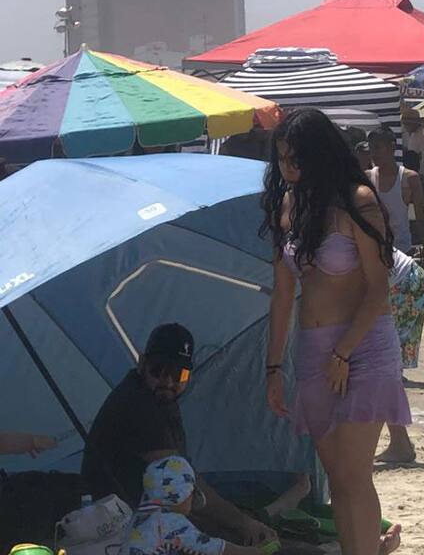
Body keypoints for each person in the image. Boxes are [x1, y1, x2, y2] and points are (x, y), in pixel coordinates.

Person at [262, 108, 405, 555]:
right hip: (313, 350)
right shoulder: (289, 206)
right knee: (338, 479)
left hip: (364, 345)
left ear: (319, 155)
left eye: (296, 158)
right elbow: (282, 295)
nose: (288, 168)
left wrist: (343, 351)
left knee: (354, 474)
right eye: (282, 158)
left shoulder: (358, 201)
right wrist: (272, 367)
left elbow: (379, 288)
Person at [82, 324, 277, 546]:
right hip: (124, 524)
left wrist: (242, 522)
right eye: (158, 370)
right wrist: (243, 524)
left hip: (151, 514)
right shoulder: (138, 405)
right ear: (142, 363)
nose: (168, 382)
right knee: (247, 538)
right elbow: (181, 483)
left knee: (246, 528)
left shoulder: (160, 399)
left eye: (179, 375)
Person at [118, 455, 260, 555]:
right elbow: (213, 548)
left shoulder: (142, 516)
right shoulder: (169, 522)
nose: (192, 501)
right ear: (181, 495)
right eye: (191, 494)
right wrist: (253, 552)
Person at [376, 246, 424, 467]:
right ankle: (399, 442)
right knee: (384, 369)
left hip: (401, 283)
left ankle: (399, 443)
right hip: (404, 279)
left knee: (381, 368)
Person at [366, 127, 424, 257]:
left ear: (392, 147)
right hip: (375, 252)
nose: (373, 153)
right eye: (370, 149)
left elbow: (421, 218)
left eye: (377, 148)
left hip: (402, 251)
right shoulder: (367, 178)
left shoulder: (409, 178)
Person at [400, 107, 424, 205]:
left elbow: (420, 157)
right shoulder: (416, 133)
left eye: (406, 124)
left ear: (413, 123)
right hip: (418, 173)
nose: (405, 127)